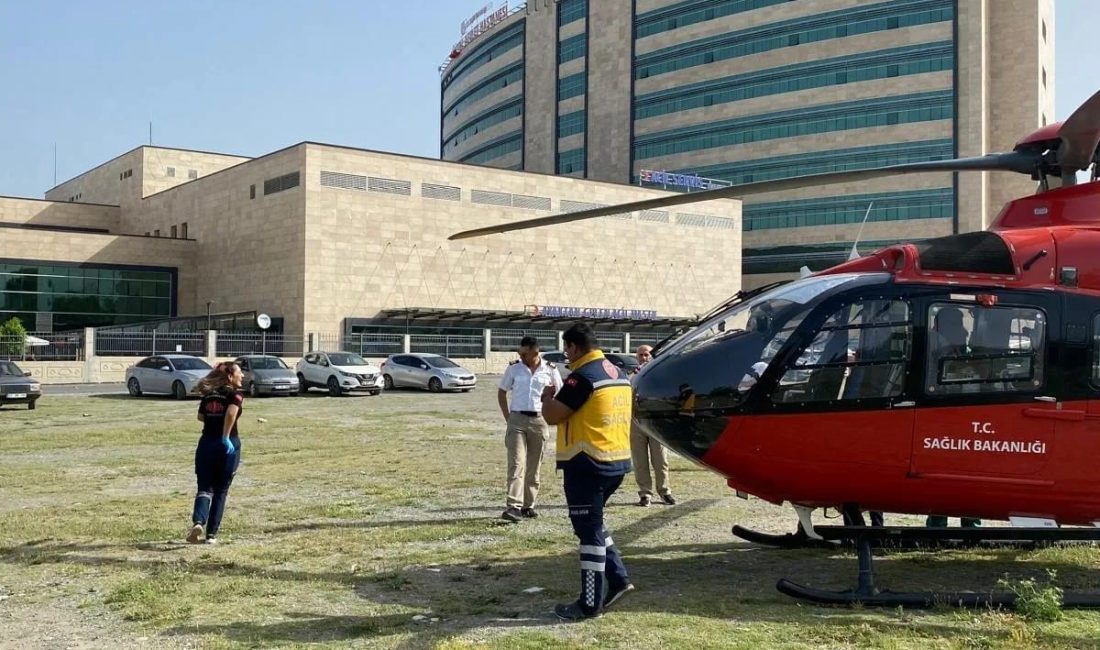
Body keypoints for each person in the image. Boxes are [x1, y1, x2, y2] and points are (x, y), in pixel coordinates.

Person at [541, 323, 634, 621]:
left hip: (587, 462)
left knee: (588, 531)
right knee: (593, 524)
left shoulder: (582, 378)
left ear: (576, 347)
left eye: (567, 348)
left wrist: (546, 397)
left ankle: (589, 603)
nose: (566, 354)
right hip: (615, 459)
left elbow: (553, 415)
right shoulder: (617, 373)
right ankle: (618, 580)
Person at [497, 335, 562, 522]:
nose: (522, 356)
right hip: (517, 419)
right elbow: (502, 392)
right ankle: (513, 506)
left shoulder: (550, 369)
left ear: (535, 352)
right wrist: (508, 417)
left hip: (539, 420)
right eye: (521, 353)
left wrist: (552, 409)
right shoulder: (514, 368)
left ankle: (528, 505)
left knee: (534, 465)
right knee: (517, 463)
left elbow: (560, 392)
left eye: (525, 353)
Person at [186, 362, 244, 545]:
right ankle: (211, 535)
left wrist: (213, 418)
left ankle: (198, 521)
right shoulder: (235, 395)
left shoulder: (209, 395)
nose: (242, 375)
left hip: (206, 444)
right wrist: (225, 436)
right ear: (230, 376)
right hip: (226, 445)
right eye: (239, 372)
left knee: (204, 487)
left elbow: (200, 417)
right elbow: (230, 414)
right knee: (221, 490)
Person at [629, 345, 675, 507]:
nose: (643, 358)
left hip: (656, 422)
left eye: (646, 354)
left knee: (661, 459)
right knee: (640, 460)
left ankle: (664, 491)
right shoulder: (632, 376)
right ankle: (645, 493)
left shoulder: (660, 374)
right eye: (640, 355)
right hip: (636, 423)